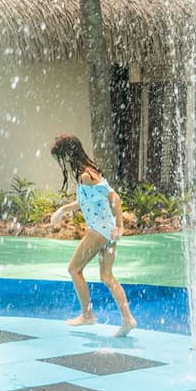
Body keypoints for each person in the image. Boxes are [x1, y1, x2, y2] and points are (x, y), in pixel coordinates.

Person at [47, 134, 138, 336]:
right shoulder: (88, 173)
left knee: (74, 269)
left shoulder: (85, 176)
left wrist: (120, 226)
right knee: (107, 276)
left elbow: (114, 197)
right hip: (107, 230)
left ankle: (88, 316)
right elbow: (83, 202)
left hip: (100, 229)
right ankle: (127, 319)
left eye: (60, 156)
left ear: (68, 154)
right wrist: (62, 210)